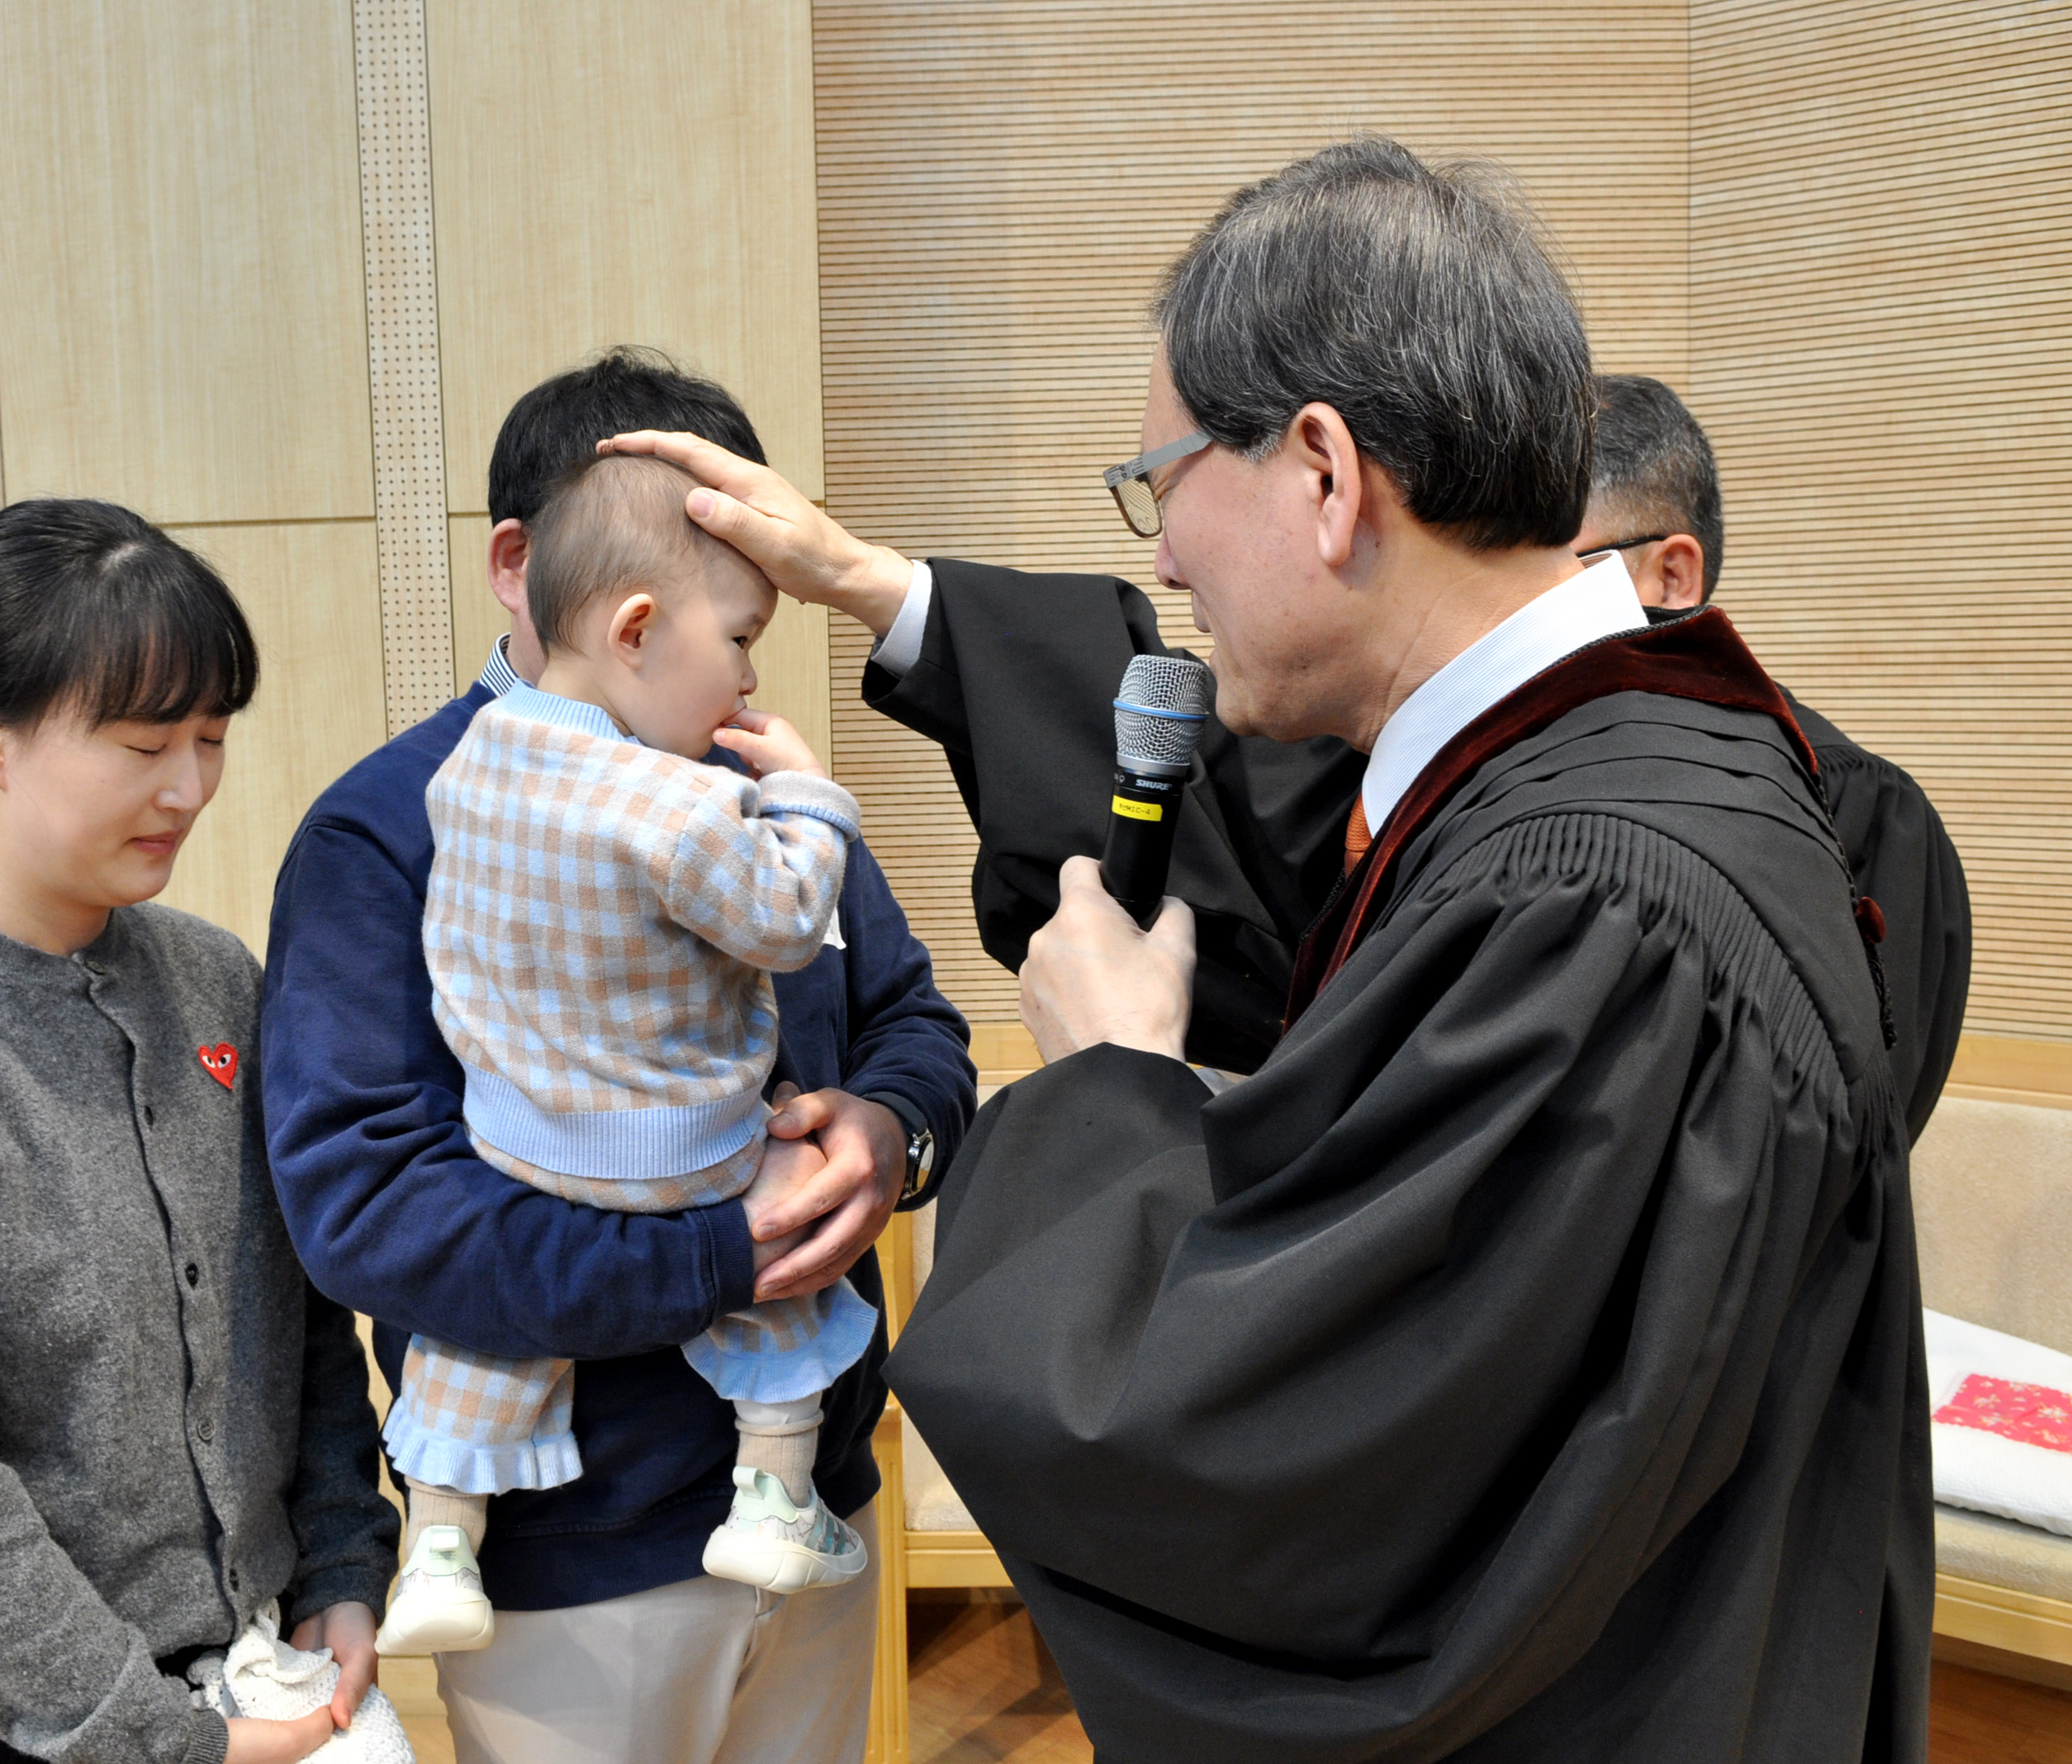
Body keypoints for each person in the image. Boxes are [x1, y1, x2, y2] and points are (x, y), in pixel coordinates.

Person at [610, 139, 1930, 1761]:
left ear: (1321, 472)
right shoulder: (1615, 777)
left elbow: (1291, 1470)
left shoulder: (1604, 910)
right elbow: (1269, 840)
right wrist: (877, 587)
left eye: (1161, 486)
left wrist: (1111, 1084)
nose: (1162, 560)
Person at [261, 349, 974, 1764]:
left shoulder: (761, 790)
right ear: (522, 567)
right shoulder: (387, 829)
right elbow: (369, 1211)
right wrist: (719, 1256)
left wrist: (891, 1137)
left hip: (817, 1495)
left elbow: (914, 1024)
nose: (743, 663)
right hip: (573, 1565)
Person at [0, 500, 398, 1764]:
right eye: (144, 744)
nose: (189, 788)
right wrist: (166, 1744)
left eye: (210, 739)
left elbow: (302, 1324)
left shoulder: (214, 984)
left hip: (239, 1665)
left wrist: (339, 1563)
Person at [382, 453, 875, 1653]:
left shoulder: (464, 766)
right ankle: (774, 1499)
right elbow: (785, 921)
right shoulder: (679, 800)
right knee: (783, 1232)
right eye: (742, 639)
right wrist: (810, 800)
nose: (749, 678)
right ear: (638, 629)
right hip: (685, 1150)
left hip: (517, 1146)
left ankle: (438, 1548)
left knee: (482, 1330)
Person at [1574, 372, 1971, 1137]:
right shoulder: (1508, 772)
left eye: (1547, 571)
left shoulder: (1853, 806)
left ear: (1670, 574)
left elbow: (1842, 1138)